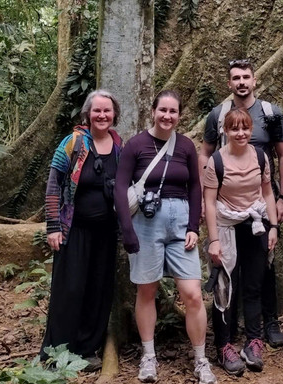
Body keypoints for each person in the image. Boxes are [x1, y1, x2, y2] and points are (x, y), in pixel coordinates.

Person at [116, 90, 217, 384]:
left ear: (179, 115)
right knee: (147, 291)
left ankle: (201, 359)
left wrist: (193, 227)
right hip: (146, 224)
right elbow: (121, 187)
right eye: (163, 110)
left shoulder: (185, 145)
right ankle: (149, 357)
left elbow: (196, 188)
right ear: (153, 111)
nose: (167, 116)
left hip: (180, 222)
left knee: (193, 294)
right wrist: (127, 230)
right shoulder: (136, 145)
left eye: (173, 111)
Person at [201, 58, 283, 347]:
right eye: (236, 78)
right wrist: (208, 193)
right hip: (226, 204)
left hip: (261, 202)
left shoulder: (270, 113)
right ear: (229, 83)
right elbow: (205, 153)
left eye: (246, 77)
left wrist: (282, 196)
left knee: (263, 267)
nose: (241, 82)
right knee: (231, 272)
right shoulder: (218, 114)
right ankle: (228, 337)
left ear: (254, 80)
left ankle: (269, 323)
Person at [40, 90, 123, 369]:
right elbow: (54, 184)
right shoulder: (73, 142)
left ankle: (88, 350)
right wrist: (53, 226)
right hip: (73, 229)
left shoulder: (118, 145)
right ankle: (57, 352)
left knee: (98, 289)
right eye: (97, 111)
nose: (102, 115)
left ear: (114, 115)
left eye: (107, 111)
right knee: (69, 289)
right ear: (87, 114)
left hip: (106, 232)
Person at [203, 108, 279, 376]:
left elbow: (267, 193)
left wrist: (273, 227)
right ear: (225, 131)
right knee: (225, 289)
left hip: (255, 225)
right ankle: (223, 345)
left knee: (254, 286)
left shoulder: (261, 156)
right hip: (226, 227)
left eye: (245, 128)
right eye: (234, 128)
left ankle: (253, 342)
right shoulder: (216, 161)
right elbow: (210, 203)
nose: (241, 133)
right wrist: (213, 240)